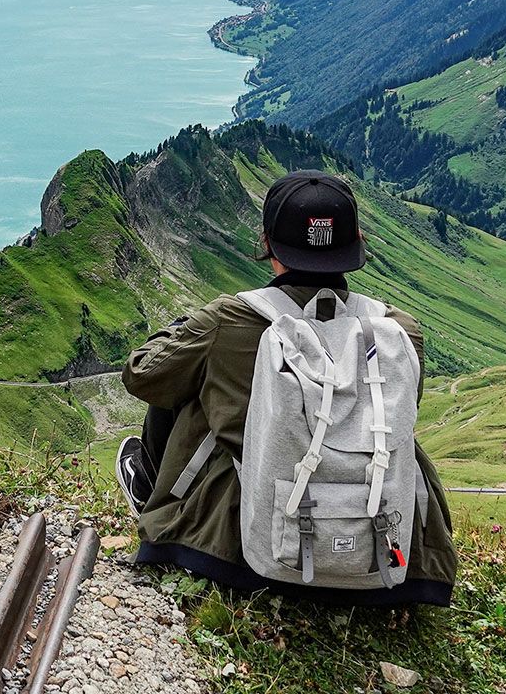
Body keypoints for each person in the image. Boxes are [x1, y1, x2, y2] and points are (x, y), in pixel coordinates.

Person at [115, 169, 456, 606]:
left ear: (268, 245)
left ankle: (154, 497)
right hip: (386, 557)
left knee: (193, 383)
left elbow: (142, 374)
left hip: (242, 553)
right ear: (357, 244)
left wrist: (188, 331)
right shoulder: (400, 331)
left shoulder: (231, 321)